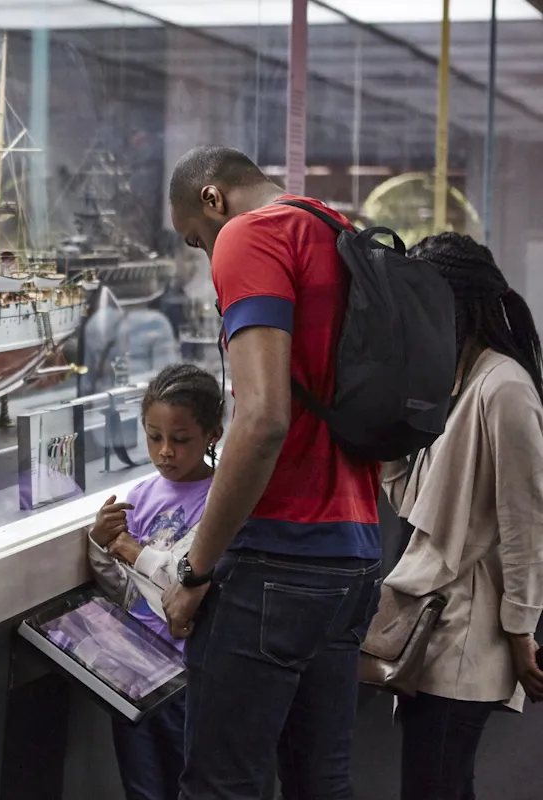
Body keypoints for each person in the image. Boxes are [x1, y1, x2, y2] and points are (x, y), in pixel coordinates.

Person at [162, 146, 382, 799]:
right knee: (322, 780)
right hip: (356, 555)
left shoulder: (251, 235)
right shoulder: (334, 229)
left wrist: (195, 572)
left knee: (222, 785)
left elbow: (261, 420)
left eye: (196, 242)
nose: (208, 257)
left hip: (278, 560)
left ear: (212, 199)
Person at [377, 233, 543, 800]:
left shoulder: (505, 388)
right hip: (435, 628)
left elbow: (526, 522)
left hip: (469, 634)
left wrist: (522, 631)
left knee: (436, 784)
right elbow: (417, 507)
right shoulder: (455, 384)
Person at [88, 363, 224, 800]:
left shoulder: (222, 501)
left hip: (190, 675)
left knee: (192, 782)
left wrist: (128, 548)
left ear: (212, 435)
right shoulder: (142, 496)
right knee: (143, 787)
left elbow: (183, 580)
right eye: (154, 437)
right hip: (135, 671)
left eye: (180, 440)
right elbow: (127, 591)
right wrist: (100, 543)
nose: (166, 451)